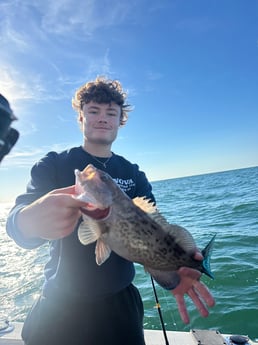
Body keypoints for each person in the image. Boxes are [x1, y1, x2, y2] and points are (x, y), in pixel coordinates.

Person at [6, 76, 215, 345]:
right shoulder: (53, 164)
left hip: (121, 305)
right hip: (59, 304)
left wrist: (173, 277)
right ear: (81, 117)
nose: (102, 118)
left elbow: (152, 236)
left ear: (120, 121)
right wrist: (27, 222)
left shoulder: (133, 173)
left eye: (111, 113)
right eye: (93, 111)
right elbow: (16, 223)